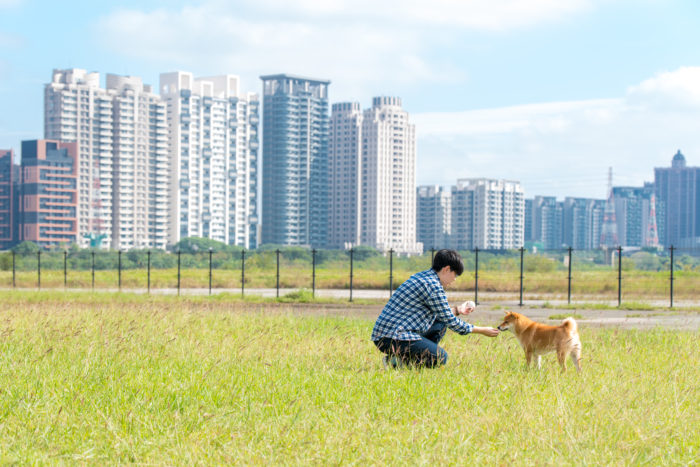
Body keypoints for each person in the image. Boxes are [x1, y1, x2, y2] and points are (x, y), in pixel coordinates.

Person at [371, 249, 500, 368]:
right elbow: (452, 322)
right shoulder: (433, 286)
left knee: (440, 323)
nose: (454, 279)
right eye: (455, 275)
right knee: (440, 358)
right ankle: (396, 362)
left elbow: (441, 314)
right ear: (447, 269)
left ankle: (404, 359)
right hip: (392, 337)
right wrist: (482, 330)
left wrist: (458, 310)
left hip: (387, 334)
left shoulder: (424, 276)